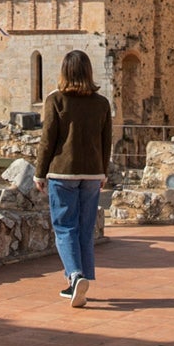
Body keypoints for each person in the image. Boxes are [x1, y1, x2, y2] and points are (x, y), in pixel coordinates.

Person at [34, 49, 112, 307]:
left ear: (64, 72)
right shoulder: (102, 103)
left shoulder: (56, 100)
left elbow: (48, 140)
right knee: (85, 228)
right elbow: (106, 141)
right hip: (91, 173)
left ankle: (75, 276)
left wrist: (39, 172)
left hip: (62, 172)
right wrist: (104, 171)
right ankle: (81, 278)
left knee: (65, 226)